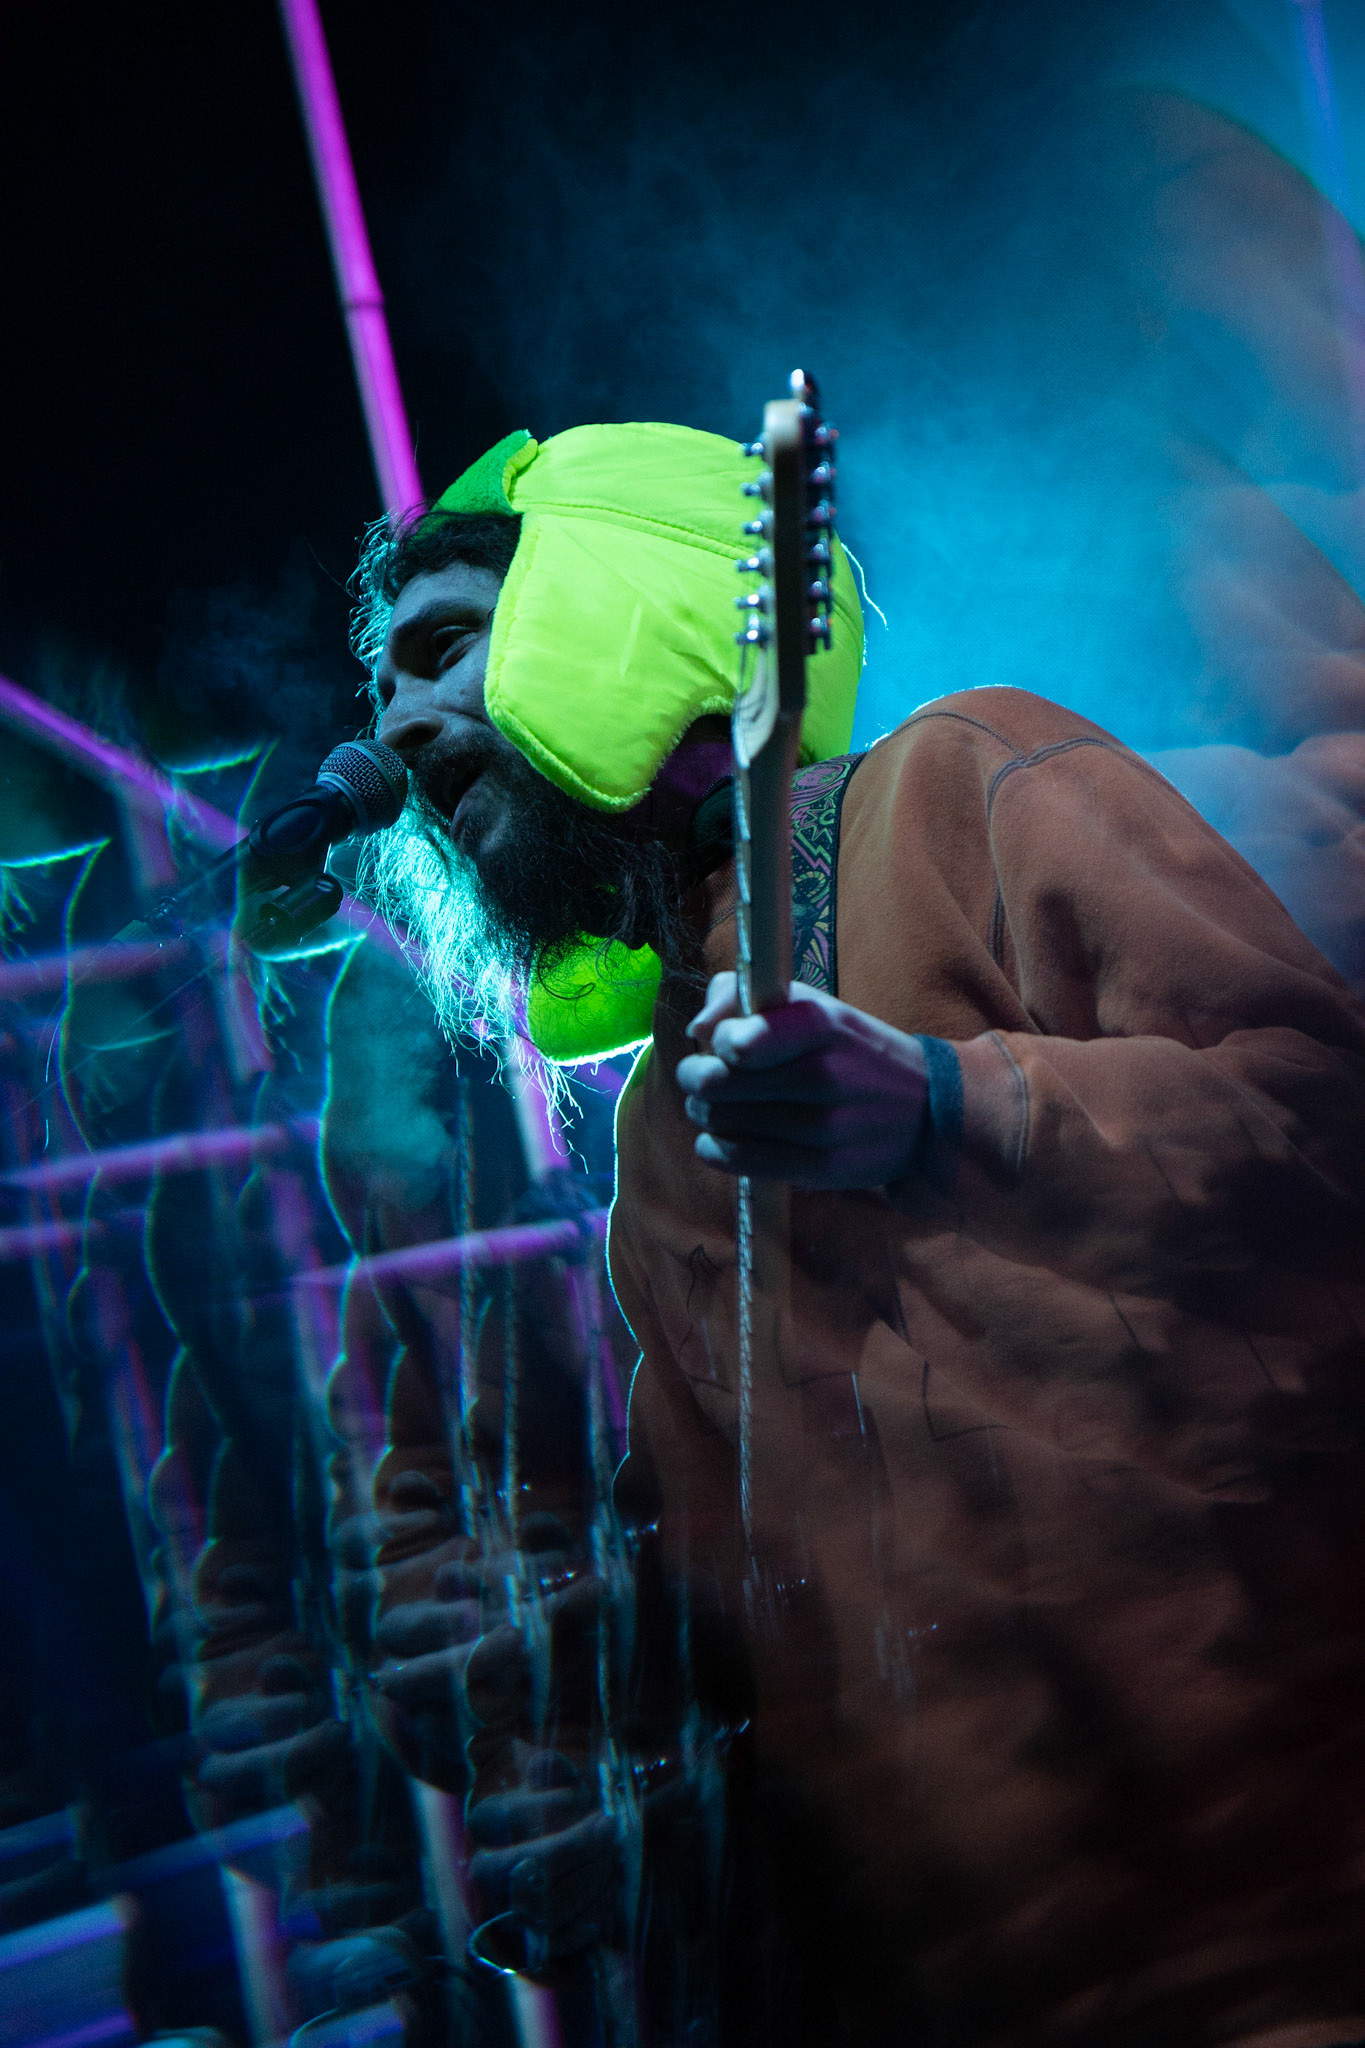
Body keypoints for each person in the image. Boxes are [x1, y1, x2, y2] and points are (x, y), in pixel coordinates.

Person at [357, 420, 1365, 2048]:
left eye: (442, 648)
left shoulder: (963, 783)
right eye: (381, 687)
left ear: (616, 598)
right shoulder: (650, 1141)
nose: (393, 727)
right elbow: (748, 1599)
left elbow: (1325, 1131)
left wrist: (944, 1105)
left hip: (1281, 1910)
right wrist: (589, 1732)